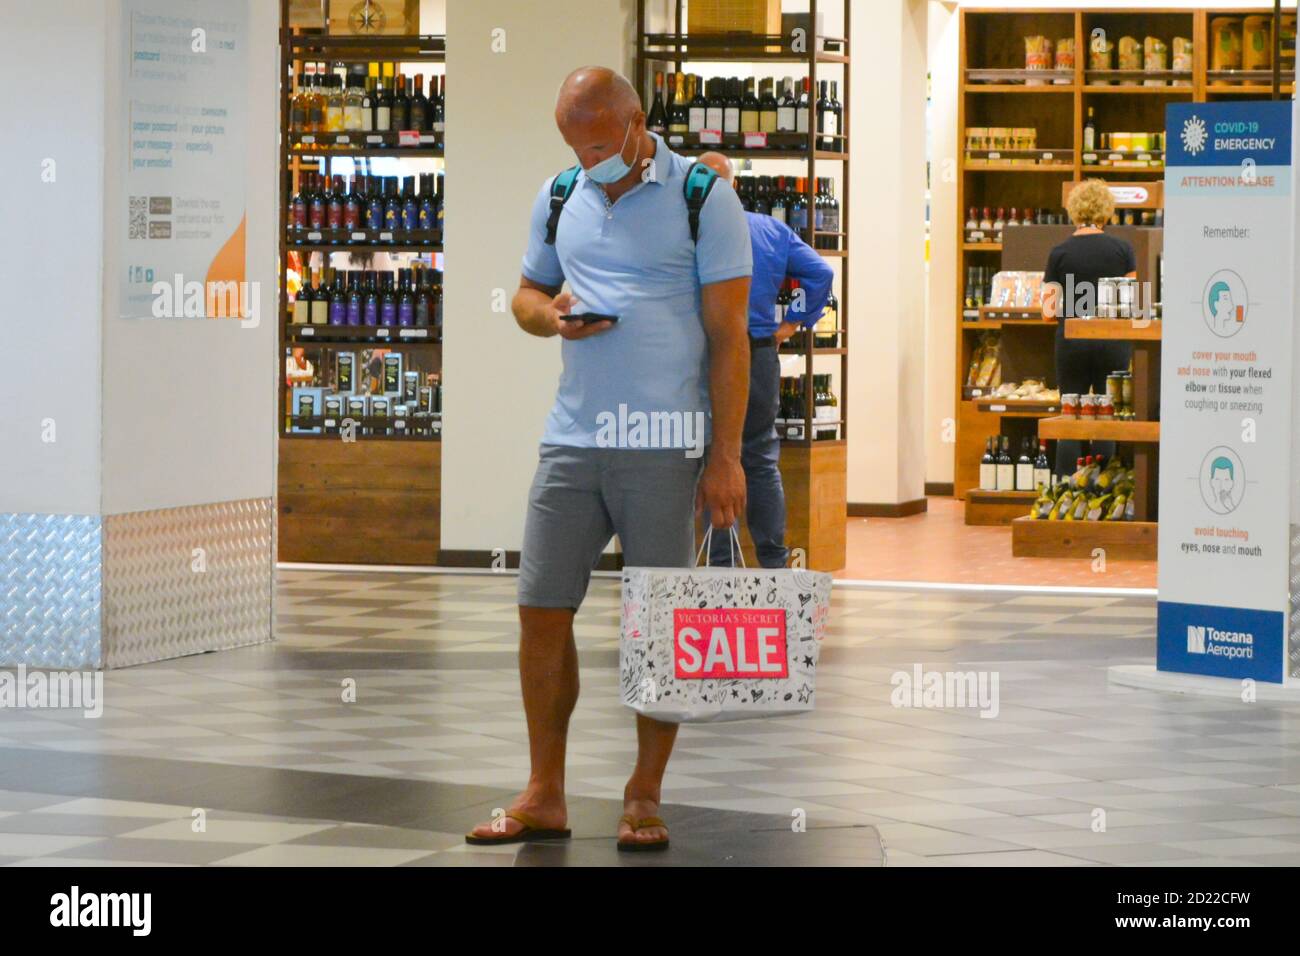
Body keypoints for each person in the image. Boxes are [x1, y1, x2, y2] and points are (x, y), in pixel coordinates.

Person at [465, 67, 752, 852]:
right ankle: (545, 790)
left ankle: (643, 792)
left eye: (597, 144)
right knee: (539, 611)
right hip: (573, 439)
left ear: (635, 123)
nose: (586, 160)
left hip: (666, 445)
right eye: (572, 146)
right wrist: (547, 315)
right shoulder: (561, 194)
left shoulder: (703, 197)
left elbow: (731, 339)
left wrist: (726, 456)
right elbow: (526, 294)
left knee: (659, 623)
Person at [695, 151, 834, 568]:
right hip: (757, 355)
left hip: (704, 356)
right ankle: (773, 560)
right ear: (735, 186)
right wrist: (791, 324)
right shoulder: (770, 229)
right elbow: (821, 274)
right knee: (759, 456)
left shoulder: (690, 232)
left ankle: (722, 563)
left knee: (711, 454)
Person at [1041, 179, 1137, 476]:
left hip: (1071, 342)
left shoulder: (1059, 252)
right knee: (1107, 413)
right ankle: (1108, 486)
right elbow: (1133, 304)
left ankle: (1064, 494)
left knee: (1072, 415)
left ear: (1073, 210)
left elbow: (1047, 312)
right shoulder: (1122, 250)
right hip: (1113, 342)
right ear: (1106, 212)